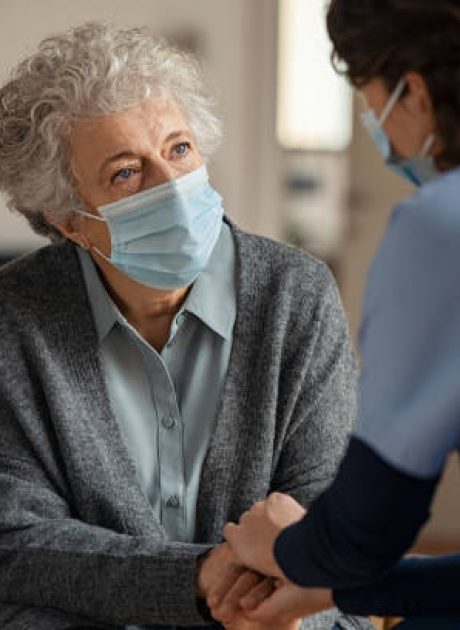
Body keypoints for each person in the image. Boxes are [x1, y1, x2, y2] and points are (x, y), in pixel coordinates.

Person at [0, 21, 371, 630]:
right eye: (126, 172)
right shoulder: (15, 318)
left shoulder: (295, 296)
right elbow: (18, 543)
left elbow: (325, 523)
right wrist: (200, 579)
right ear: (70, 222)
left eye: (178, 149)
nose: (172, 187)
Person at [221, 1, 460, 629]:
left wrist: (276, 545)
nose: (373, 125)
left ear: (413, 90)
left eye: (368, 95)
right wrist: (340, 591)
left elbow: (363, 531)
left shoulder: (439, 228)